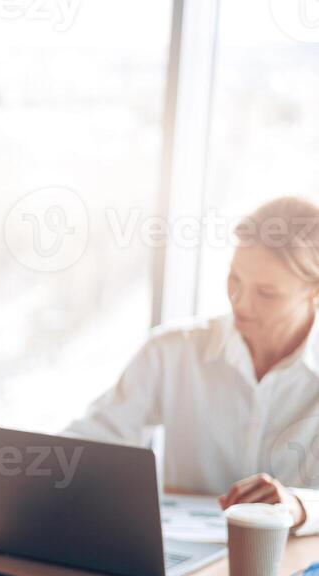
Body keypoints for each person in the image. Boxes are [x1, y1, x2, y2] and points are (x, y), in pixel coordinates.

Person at [65, 196, 319, 535]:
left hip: (296, 569)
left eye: (266, 294)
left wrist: (299, 507)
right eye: (234, 279)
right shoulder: (173, 351)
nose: (240, 302)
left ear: (313, 291)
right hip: (185, 562)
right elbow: (91, 440)